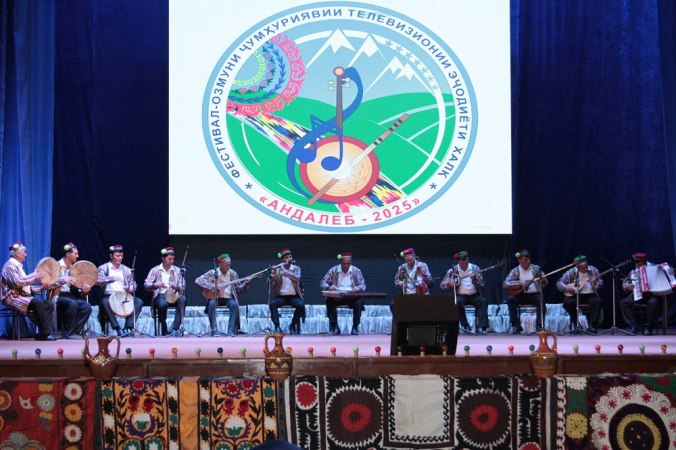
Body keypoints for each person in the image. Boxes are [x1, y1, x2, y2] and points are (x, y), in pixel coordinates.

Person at [0, 242, 58, 340]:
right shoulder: (10, 266)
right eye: (24, 252)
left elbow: (26, 288)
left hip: (22, 295)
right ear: (17, 254)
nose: (26, 255)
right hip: (11, 297)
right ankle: (45, 333)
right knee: (37, 303)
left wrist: (42, 288)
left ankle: (42, 333)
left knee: (48, 304)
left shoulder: (18, 267)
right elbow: (17, 283)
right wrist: (34, 277)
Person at [195, 252, 254, 337]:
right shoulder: (213, 272)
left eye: (229, 264)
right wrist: (213, 287)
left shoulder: (232, 273)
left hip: (227, 298)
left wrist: (246, 283)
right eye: (227, 264)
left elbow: (239, 289)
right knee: (211, 304)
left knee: (234, 305)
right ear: (221, 264)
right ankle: (214, 330)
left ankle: (231, 330)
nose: (228, 266)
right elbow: (198, 280)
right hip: (215, 297)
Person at [619, 252, 674, 335]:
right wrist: (626, 286)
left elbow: (668, 270)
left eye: (638, 262)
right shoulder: (633, 272)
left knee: (653, 302)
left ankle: (648, 327)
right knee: (624, 303)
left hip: (653, 295)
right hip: (639, 295)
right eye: (635, 262)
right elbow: (625, 282)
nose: (636, 264)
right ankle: (633, 326)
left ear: (644, 261)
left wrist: (671, 269)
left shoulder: (655, 267)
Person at [97, 244, 143, 337]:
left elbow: (133, 284)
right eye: (117, 256)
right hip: (109, 296)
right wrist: (110, 279)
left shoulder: (126, 269)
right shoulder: (103, 268)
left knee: (138, 302)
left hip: (123, 296)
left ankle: (127, 327)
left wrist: (130, 288)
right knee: (104, 302)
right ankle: (117, 328)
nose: (120, 258)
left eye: (121, 256)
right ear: (111, 256)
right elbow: (98, 281)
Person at [440, 251, 489, 335]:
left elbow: (482, 284)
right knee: (456, 302)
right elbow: (442, 285)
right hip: (461, 295)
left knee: (483, 301)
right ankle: (464, 325)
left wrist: (475, 280)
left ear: (468, 259)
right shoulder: (453, 270)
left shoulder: (475, 268)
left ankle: (482, 327)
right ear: (458, 261)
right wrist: (448, 284)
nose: (463, 262)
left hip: (474, 295)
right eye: (461, 260)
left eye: (465, 260)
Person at [51, 243, 93, 339]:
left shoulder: (74, 269)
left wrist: (85, 290)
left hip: (71, 296)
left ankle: (75, 331)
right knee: (72, 303)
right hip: (58, 296)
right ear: (68, 254)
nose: (78, 256)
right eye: (75, 253)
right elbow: (49, 282)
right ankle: (68, 332)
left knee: (86, 306)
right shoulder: (55, 266)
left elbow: (78, 288)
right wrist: (63, 279)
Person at [144, 247, 187, 337]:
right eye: (169, 259)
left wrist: (177, 287)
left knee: (183, 299)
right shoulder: (156, 270)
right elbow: (146, 284)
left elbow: (183, 285)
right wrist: (156, 284)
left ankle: (175, 329)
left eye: (173, 259)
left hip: (174, 294)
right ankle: (164, 326)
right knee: (162, 304)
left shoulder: (177, 270)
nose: (171, 261)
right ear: (163, 258)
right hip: (161, 295)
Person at [320, 252, 366, 335]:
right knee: (329, 300)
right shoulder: (334, 270)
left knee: (359, 301)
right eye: (344, 263)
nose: (346, 266)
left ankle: (355, 327)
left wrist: (358, 288)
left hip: (351, 296)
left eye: (348, 263)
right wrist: (329, 287)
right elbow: (323, 282)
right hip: (338, 296)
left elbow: (363, 284)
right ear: (340, 262)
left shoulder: (356, 271)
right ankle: (334, 327)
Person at [503, 249, 547, 334]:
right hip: (520, 295)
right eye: (525, 259)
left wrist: (543, 280)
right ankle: (515, 325)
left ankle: (540, 325)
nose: (528, 261)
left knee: (541, 299)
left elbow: (545, 284)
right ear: (519, 260)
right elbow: (505, 283)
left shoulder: (536, 269)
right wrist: (519, 283)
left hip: (534, 295)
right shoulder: (515, 271)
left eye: (529, 259)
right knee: (510, 299)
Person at [556, 255, 603, 335]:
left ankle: (592, 326)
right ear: (577, 266)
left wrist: (596, 283)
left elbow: (601, 283)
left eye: (585, 267)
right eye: (581, 268)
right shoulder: (571, 272)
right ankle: (576, 324)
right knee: (568, 303)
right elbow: (559, 283)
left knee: (597, 301)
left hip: (590, 294)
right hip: (575, 295)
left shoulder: (593, 270)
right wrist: (566, 289)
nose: (584, 269)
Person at [268, 249, 304, 334]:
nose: (289, 259)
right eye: (286, 257)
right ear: (282, 260)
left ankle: (293, 325)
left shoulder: (296, 268)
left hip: (294, 296)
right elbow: (272, 285)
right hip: (281, 296)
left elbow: (297, 278)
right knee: (273, 304)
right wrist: (272, 276)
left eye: (290, 257)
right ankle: (277, 326)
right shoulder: (278, 269)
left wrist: (284, 270)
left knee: (301, 305)